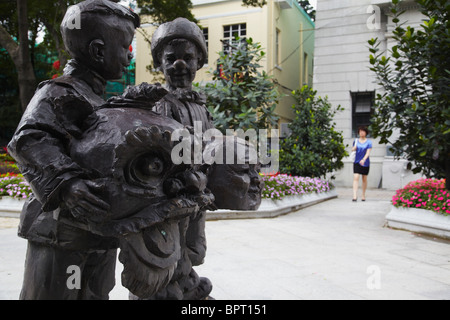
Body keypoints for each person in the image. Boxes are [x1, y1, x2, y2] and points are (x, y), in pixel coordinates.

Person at [7, 0, 140, 299]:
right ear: (97, 51)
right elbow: (29, 139)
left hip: (96, 233)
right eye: (125, 46)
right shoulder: (58, 92)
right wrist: (67, 184)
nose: (129, 56)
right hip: (59, 233)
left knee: (93, 293)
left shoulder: (99, 100)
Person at [352, 126, 373, 202]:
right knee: (356, 177)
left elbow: (368, 153)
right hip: (357, 161)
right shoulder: (356, 140)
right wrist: (354, 148)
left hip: (365, 162)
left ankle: (363, 195)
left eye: (363, 131)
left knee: (364, 178)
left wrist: (363, 159)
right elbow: (353, 149)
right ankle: (354, 195)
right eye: (360, 131)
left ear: (366, 133)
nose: (361, 132)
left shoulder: (369, 142)